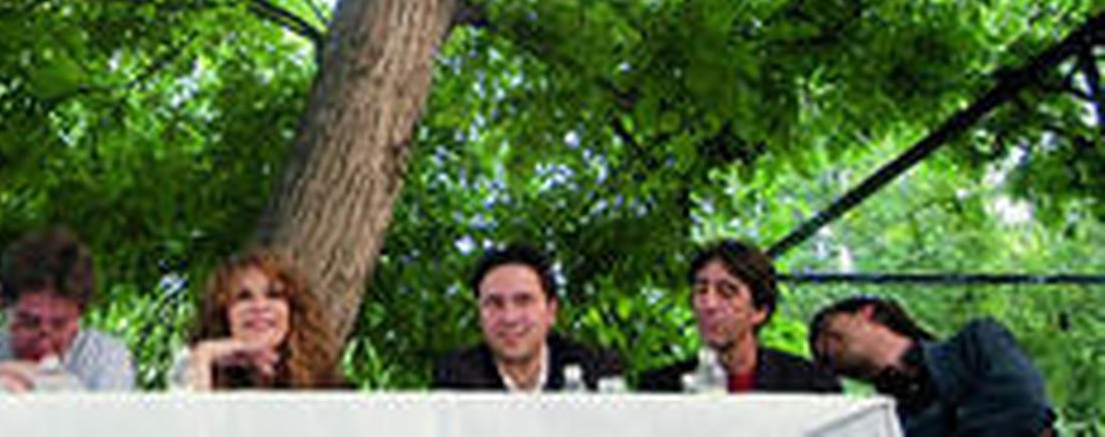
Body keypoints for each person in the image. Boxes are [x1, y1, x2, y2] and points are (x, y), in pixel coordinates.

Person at [0, 226, 135, 392]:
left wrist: (55, 385)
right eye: (29, 323)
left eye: (59, 325)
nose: (44, 340)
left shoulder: (105, 361)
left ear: (81, 315)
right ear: (3, 304)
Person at [809, 296, 1055, 436]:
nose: (820, 346)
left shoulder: (977, 341)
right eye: (817, 356)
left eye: (825, 327)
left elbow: (1024, 404)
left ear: (868, 312)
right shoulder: (883, 421)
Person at [637, 239, 839, 393]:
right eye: (701, 290)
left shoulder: (809, 385)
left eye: (727, 292)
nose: (709, 304)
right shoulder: (660, 387)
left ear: (759, 311)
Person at [432, 243, 623, 392]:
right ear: (479, 313)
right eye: (495, 303)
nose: (509, 317)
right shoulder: (454, 376)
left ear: (551, 311)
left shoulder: (596, 369)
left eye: (523, 301)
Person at [178, 249, 344, 389]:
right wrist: (205, 355)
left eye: (274, 295)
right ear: (223, 314)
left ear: (293, 312)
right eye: (243, 297)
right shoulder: (203, 369)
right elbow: (193, 425)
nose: (259, 306)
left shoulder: (329, 386)